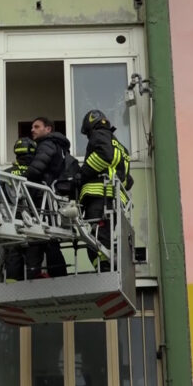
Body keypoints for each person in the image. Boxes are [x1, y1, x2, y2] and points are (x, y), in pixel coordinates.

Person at [76, 110, 134, 270]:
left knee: (95, 238)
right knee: (104, 236)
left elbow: (104, 155)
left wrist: (82, 174)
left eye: (87, 133)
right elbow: (128, 181)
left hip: (99, 196)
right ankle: (105, 266)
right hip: (114, 201)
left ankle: (104, 268)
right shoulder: (121, 147)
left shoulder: (99, 134)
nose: (89, 137)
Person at [23, 117, 70, 278]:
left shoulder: (47, 144)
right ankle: (59, 274)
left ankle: (31, 278)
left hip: (42, 198)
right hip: (53, 199)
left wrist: (22, 180)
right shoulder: (61, 147)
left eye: (36, 126)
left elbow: (36, 169)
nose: (32, 130)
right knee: (51, 241)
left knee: (36, 239)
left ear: (48, 129)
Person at [4, 137, 36, 281]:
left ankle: (11, 282)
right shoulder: (35, 173)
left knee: (12, 252)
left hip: (11, 219)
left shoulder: (6, 173)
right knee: (34, 252)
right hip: (34, 219)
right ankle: (31, 282)